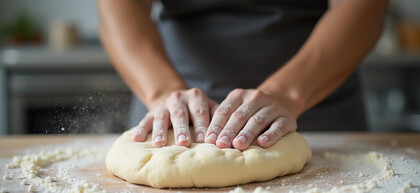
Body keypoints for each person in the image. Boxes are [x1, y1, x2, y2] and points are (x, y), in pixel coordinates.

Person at [98, 0, 388, 150]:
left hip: (315, 101)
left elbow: (365, 7)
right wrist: (161, 92)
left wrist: (287, 93)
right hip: (174, 118)